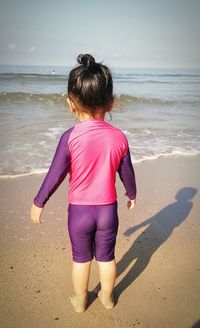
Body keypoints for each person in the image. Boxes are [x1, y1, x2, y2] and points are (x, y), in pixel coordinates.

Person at [31, 54, 137, 313]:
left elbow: (55, 174)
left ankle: (80, 301)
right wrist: (131, 194)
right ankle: (108, 297)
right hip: (107, 210)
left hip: (79, 212)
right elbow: (127, 172)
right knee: (107, 257)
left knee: (81, 260)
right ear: (111, 102)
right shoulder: (119, 137)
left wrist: (39, 202)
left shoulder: (70, 137)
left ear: (71, 103)